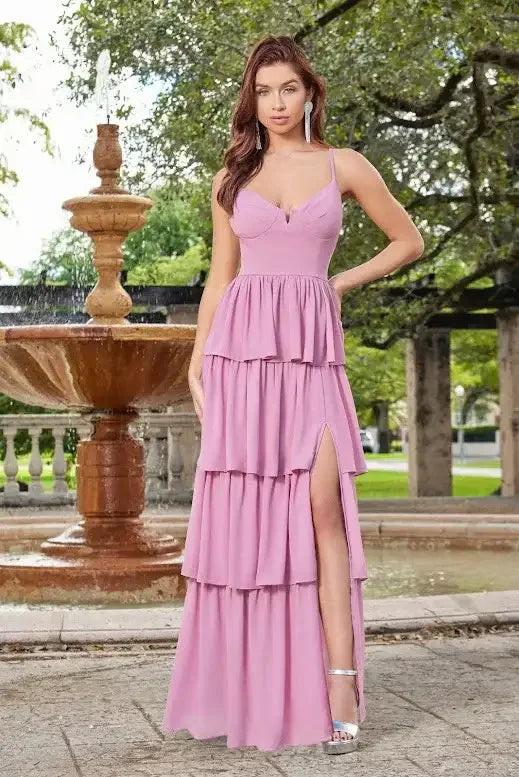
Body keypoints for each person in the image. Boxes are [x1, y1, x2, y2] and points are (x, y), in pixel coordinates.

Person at [162, 34, 424, 754]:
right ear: (252, 99)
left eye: (288, 89)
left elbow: (409, 239)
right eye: (264, 91)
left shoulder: (344, 166)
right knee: (248, 525)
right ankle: (253, 686)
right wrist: (195, 359)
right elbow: (220, 276)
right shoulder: (232, 175)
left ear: (309, 92)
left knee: (321, 507)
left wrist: (338, 281)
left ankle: (339, 679)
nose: (276, 103)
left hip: (311, 358)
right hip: (239, 357)